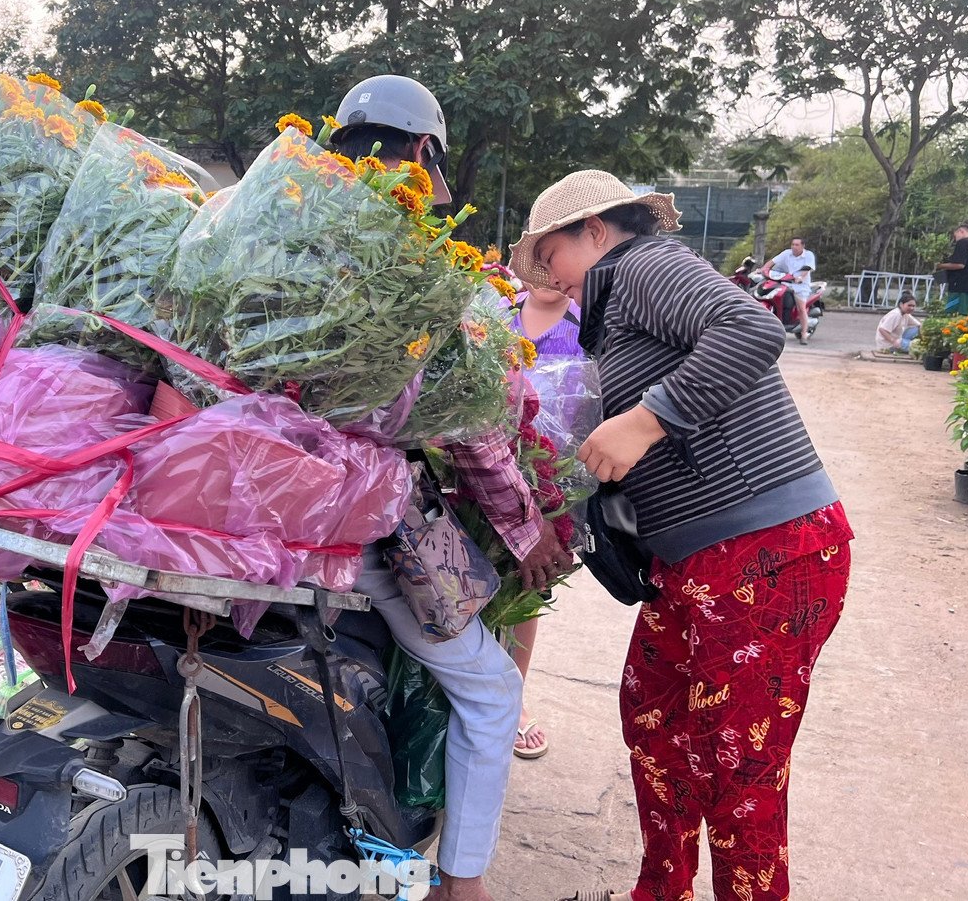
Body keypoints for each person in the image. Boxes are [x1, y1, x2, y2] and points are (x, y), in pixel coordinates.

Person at [508, 170, 853, 901]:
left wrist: (645, 419)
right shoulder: (610, 310)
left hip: (767, 550)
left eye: (553, 256)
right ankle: (662, 888)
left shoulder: (643, 266)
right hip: (697, 562)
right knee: (655, 714)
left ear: (595, 231)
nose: (549, 276)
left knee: (739, 768)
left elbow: (753, 328)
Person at [330, 75, 573, 901]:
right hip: (347, 528)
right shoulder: (416, 264)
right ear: (423, 152)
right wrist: (525, 529)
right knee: (493, 686)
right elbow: (473, 416)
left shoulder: (286, 231)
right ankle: (460, 885)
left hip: (240, 512)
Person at [504, 282, 582, 761]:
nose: (549, 273)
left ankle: (514, 697)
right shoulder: (496, 309)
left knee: (526, 592)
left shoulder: (586, 322)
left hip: (552, 477)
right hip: (484, 467)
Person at [763, 238, 816, 345]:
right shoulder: (787, 253)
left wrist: (800, 277)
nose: (794, 247)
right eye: (792, 244)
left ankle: (804, 334)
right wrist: (763, 269)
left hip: (801, 286)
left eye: (796, 245)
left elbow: (807, 269)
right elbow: (772, 261)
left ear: (802, 246)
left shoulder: (809, 255)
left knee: (801, 308)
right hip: (786, 283)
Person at [935, 224, 968, 314]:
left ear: (961, 231)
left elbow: (959, 264)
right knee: (965, 311)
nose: (956, 239)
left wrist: (939, 265)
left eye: (955, 236)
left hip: (959, 284)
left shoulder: (963, 243)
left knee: (951, 312)